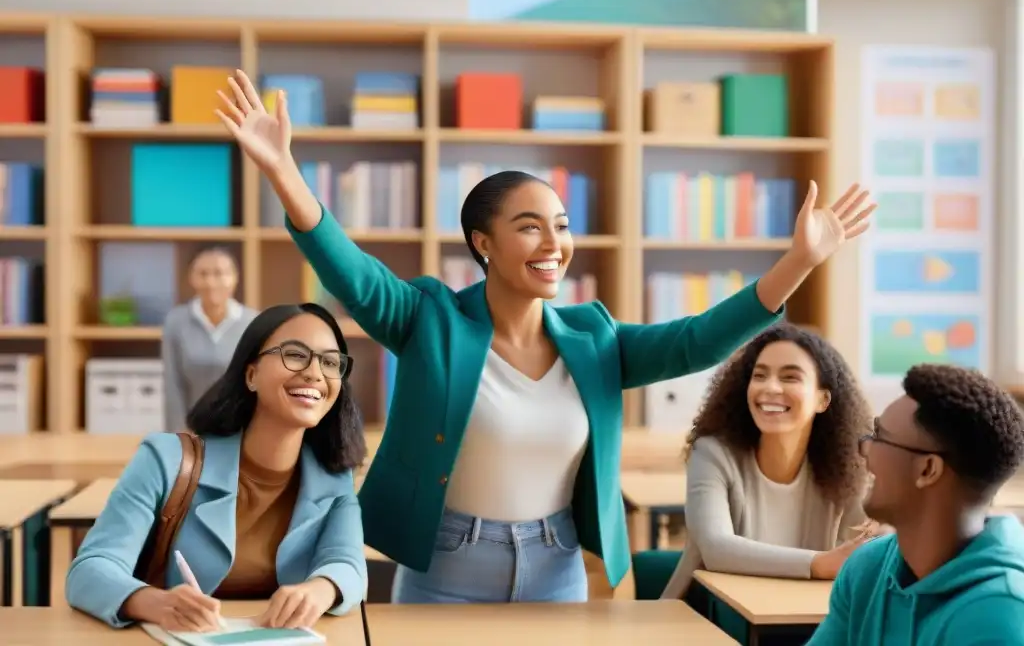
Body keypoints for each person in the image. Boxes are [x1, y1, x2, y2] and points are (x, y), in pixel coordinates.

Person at [215, 69, 876, 604]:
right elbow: (351, 273)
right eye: (529, 226)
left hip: (556, 568)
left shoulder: (595, 338)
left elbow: (697, 341)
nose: (553, 243)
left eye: (560, 225)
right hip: (446, 569)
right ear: (484, 243)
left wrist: (800, 261)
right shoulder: (429, 317)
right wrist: (282, 171)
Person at [66, 303, 368, 632]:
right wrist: (154, 602)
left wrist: (320, 590)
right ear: (251, 374)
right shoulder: (166, 459)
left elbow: (349, 566)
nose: (315, 373)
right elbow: (89, 570)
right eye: (295, 355)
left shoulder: (332, 475)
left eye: (329, 361)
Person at [650, 324, 875, 605]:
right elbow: (716, 548)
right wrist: (818, 563)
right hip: (709, 621)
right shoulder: (712, 453)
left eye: (790, 377)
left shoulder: (847, 467)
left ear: (822, 399)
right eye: (759, 376)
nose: (770, 387)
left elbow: (868, 555)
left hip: (806, 621)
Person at [809, 364, 1024, 646]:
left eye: (879, 438)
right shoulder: (867, 569)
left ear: (927, 470)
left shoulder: (998, 616)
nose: (866, 454)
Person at [162, 246, 258, 432]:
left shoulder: (252, 322)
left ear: (235, 278)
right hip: (191, 431)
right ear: (191, 278)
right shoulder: (176, 322)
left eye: (219, 273)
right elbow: (172, 385)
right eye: (203, 274)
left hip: (241, 431)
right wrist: (180, 435)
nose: (211, 282)